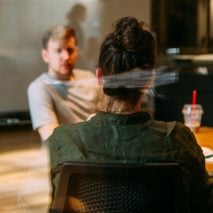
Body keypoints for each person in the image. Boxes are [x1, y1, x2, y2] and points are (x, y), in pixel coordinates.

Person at [46, 17, 212, 212]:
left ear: (100, 77)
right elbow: (203, 206)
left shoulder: (63, 140)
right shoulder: (179, 140)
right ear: (149, 80)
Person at [27, 25, 100, 141]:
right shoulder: (39, 88)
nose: (66, 57)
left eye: (70, 50)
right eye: (58, 51)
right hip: (67, 157)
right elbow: (52, 139)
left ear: (76, 51)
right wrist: (90, 127)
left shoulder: (89, 78)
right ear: (45, 56)